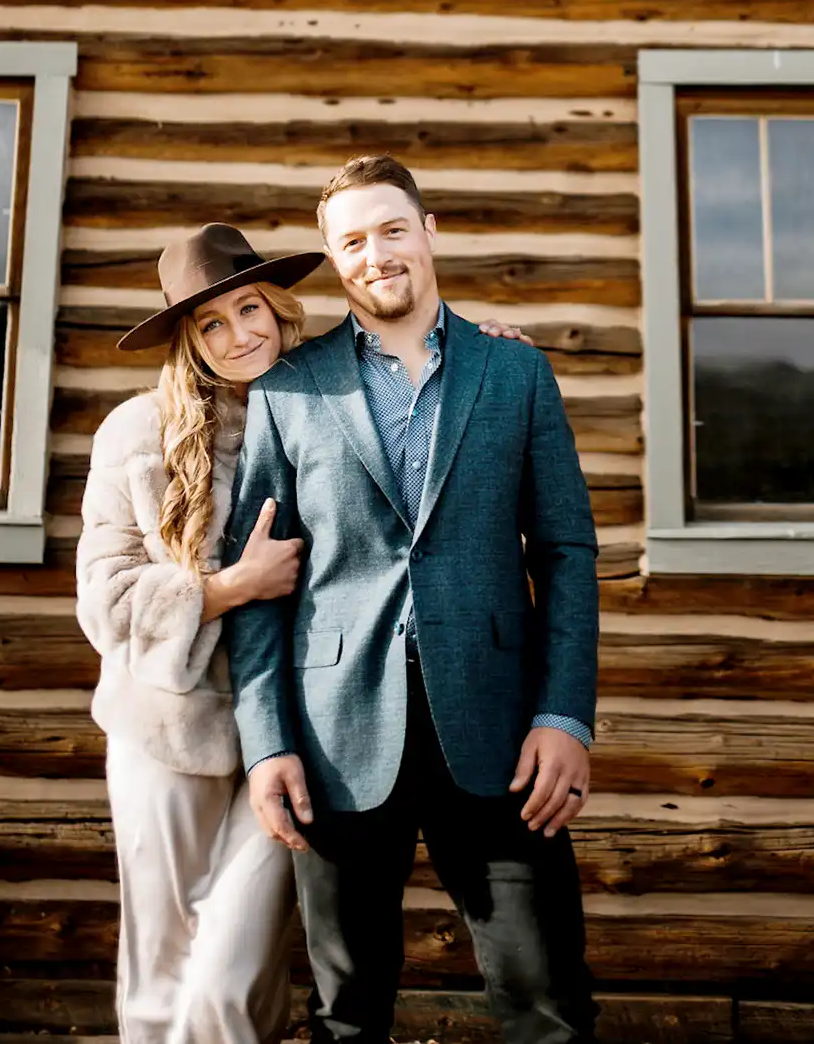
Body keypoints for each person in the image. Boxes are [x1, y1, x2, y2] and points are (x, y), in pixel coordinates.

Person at [76, 219, 537, 1044]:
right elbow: (104, 601)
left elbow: (420, 384)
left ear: (280, 310)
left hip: (295, 729)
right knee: (159, 964)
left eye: (249, 310)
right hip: (169, 727)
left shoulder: (332, 397)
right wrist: (223, 589)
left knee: (233, 969)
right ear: (188, 341)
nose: (236, 335)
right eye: (210, 325)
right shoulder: (137, 434)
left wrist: (482, 348)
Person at [225, 156, 600, 1044]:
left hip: (503, 731)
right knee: (346, 1014)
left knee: (548, 1002)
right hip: (336, 734)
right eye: (351, 240)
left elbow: (566, 550)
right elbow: (260, 589)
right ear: (332, 258)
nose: (375, 253)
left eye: (392, 229)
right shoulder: (288, 391)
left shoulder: (516, 375)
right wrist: (266, 741)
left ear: (429, 233)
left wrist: (565, 716)